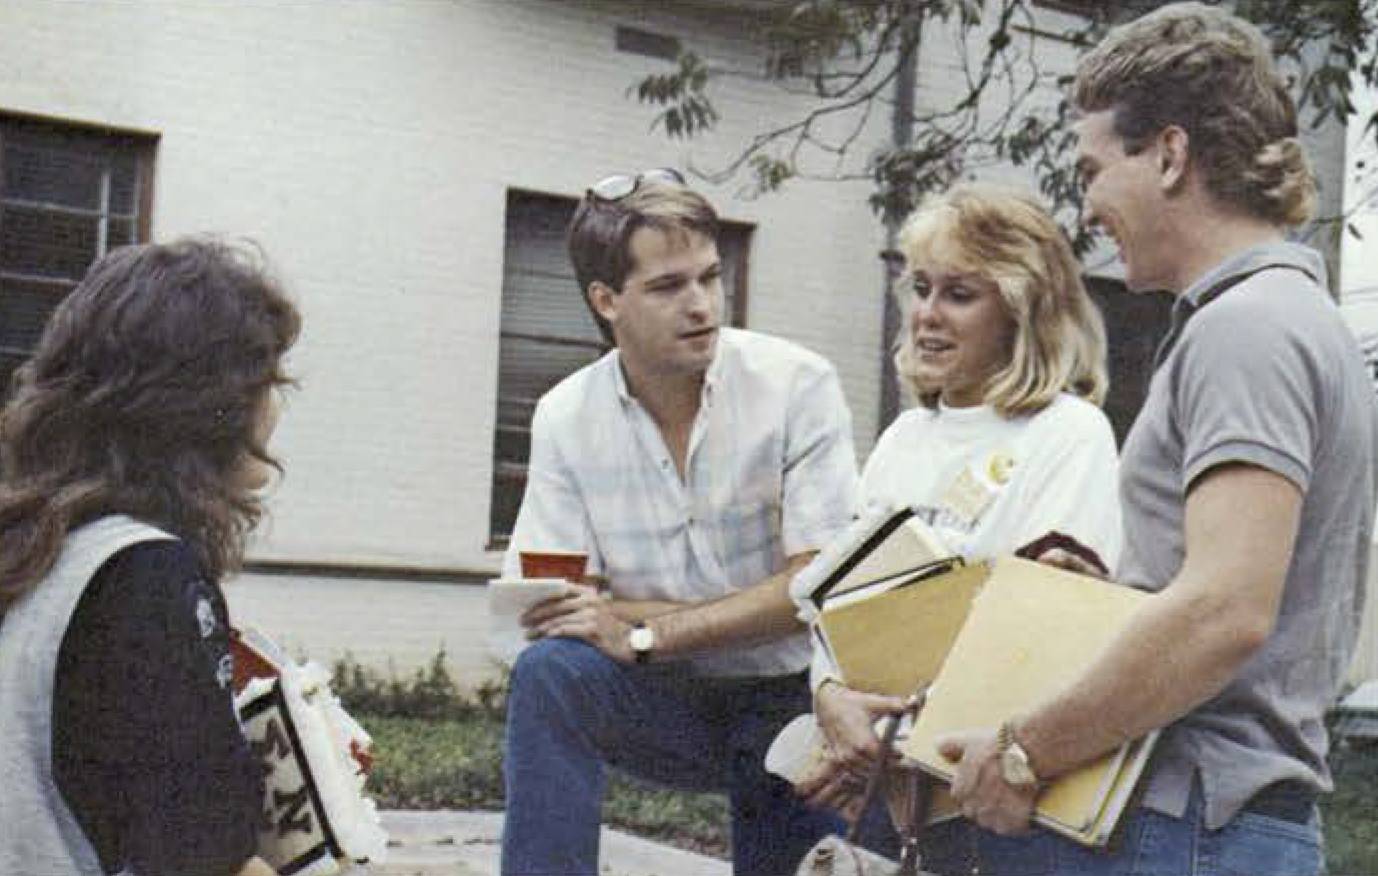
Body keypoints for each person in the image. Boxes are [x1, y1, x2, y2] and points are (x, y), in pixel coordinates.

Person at [933, 5, 1378, 875]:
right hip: (1218, 825)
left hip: (1190, 826)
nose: (1088, 204)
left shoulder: (1245, 329)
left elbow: (1225, 609)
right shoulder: (1292, 319)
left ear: (1170, 155)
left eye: (1095, 169)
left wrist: (1024, 750)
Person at [499, 169, 860, 875]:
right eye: (668, 287)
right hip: (658, 702)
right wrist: (730, 612)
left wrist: (642, 629)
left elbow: (816, 589)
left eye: (709, 278)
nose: (700, 305)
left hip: (788, 700)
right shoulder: (567, 416)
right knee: (552, 673)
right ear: (607, 301)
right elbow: (556, 610)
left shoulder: (797, 386)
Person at [789, 183, 1123, 818]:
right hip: (883, 781)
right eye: (921, 289)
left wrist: (893, 736)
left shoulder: (1068, 433)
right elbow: (839, 611)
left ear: (1023, 312)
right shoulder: (903, 439)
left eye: (960, 295)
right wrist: (830, 697)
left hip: (989, 790)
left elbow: (1043, 634)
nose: (928, 315)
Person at [0, 239, 302, 876]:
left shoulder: (38, 552)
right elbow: (207, 856)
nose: (274, 409)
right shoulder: (146, 575)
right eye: (265, 383)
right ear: (203, 404)